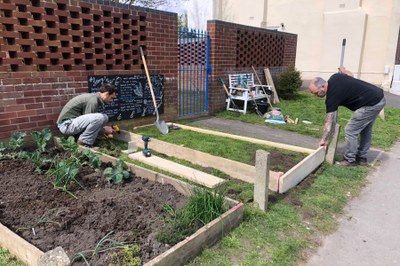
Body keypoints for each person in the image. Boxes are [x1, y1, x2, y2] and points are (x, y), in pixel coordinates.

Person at [308, 66, 386, 166]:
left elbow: (329, 122)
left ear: (323, 86)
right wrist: (343, 70)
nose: (316, 95)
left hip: (370, 104)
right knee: (365, 129)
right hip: (378, 97)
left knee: (350, 130)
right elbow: (350, 75)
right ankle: (362, 158)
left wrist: (324, 139)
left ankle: (349, 160)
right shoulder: (335, 77)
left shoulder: (332, 96)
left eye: (316, 93)